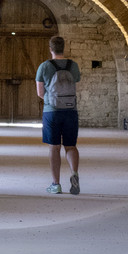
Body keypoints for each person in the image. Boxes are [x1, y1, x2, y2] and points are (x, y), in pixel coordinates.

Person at [35, 35, 81, 195]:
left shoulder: (44, 66)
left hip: (52, 112)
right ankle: (74, 173)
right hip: (70, 111)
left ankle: (56, 184)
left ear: (50, 49)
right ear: (64, 48)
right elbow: (75, 82)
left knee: (54, 147)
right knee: (71, 146)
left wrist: (51, 99)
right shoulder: (73, 65)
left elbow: (40, 93)